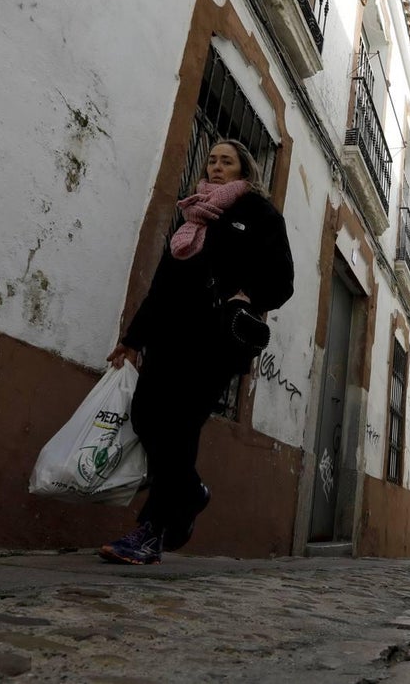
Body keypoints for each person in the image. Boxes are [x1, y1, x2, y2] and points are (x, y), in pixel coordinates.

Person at [99, 139, 294, 565]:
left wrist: (249, 293)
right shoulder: (191, 216)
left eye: (227, 161)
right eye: (212, 160)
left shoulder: (259, 215)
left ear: (244, 170)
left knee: (180, 430)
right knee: (147, 415)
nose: (217, 166)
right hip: (169, 337)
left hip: (215, 343)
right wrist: (133, 339)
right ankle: (190, 492)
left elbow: (283, 279)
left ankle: (151, 533)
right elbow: (162, 286)